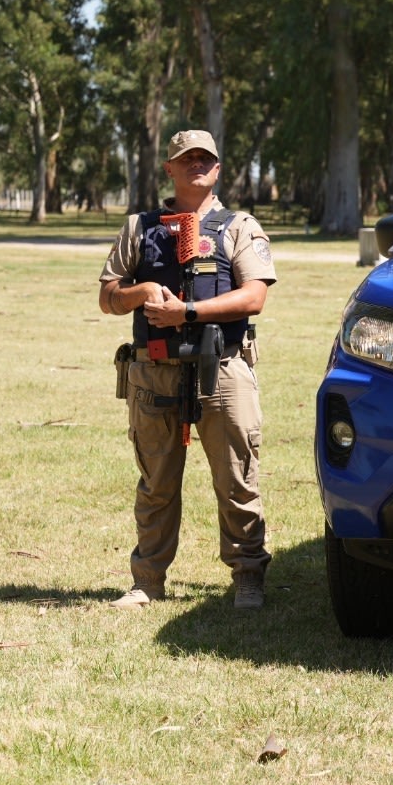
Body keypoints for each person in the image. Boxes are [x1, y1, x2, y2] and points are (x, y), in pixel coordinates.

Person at [98, 129, 276, 611]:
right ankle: (147, 582)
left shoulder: (239, 225)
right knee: (155, 483)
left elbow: (254, 296)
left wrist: (189, 314)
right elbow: (108, 296)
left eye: (206, 158)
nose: (197, 164)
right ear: (170, 168)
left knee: (237, 479)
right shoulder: (140, 226)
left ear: (217, 169)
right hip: (154, 374)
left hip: (222, 369)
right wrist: (143, 293)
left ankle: (248, 577)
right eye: (186, 158)